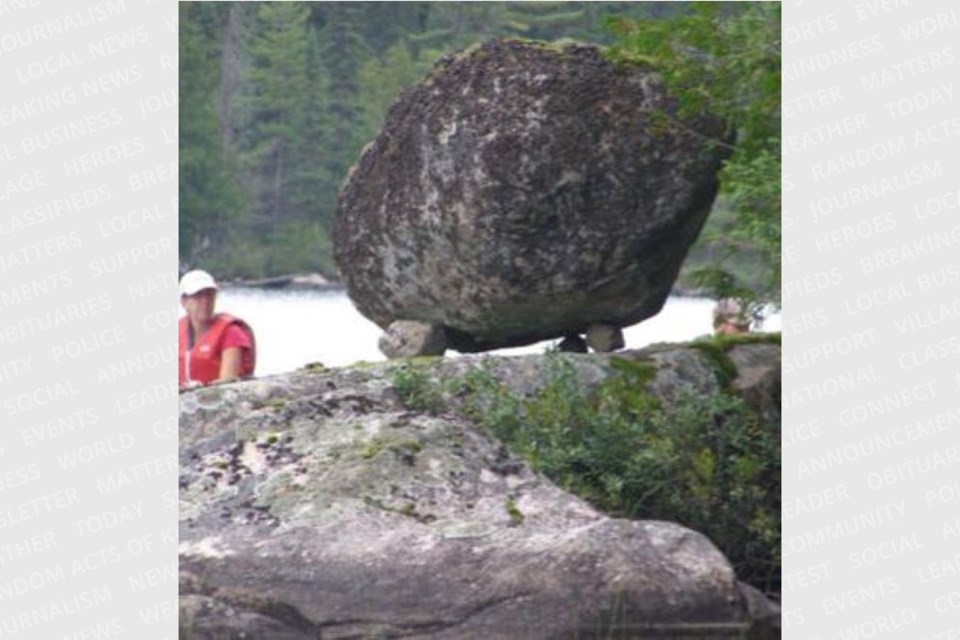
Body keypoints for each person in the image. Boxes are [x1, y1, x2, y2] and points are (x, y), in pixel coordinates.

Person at [178, 270, 256, 388]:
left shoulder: (231, 332)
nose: (205, 301)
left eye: (210, 294)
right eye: (198, 295)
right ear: (184, 301)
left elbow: (227, 384)